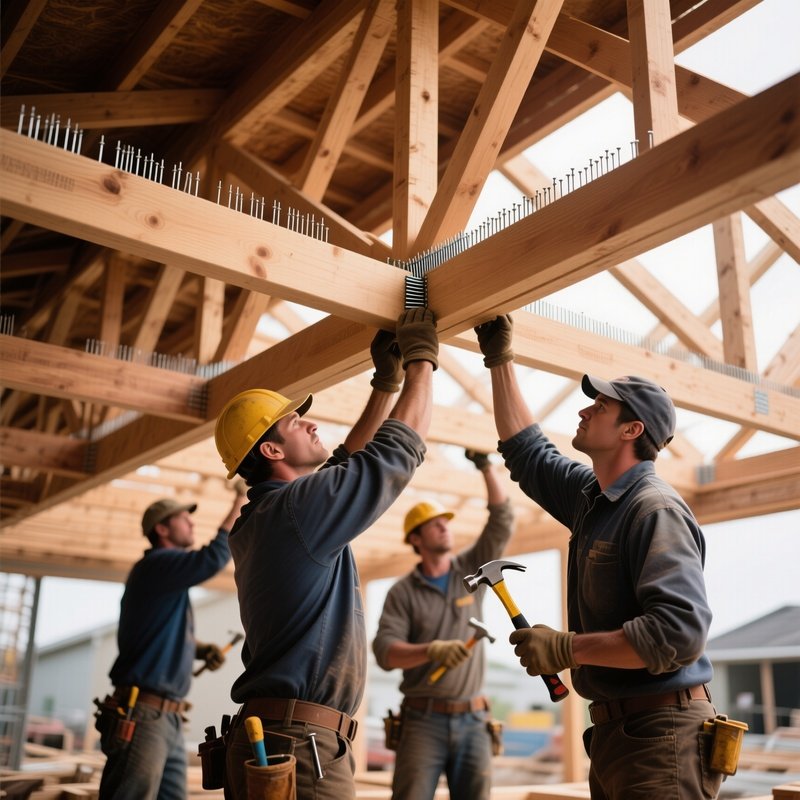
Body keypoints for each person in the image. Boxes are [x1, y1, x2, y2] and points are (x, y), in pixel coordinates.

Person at [472, 313, 721, 799]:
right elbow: (527, 453)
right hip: (620, 734)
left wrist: (567, 648)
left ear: (632, 429)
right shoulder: (593, 497)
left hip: (663, 734)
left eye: (600, 406)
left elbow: (680, 633)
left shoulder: (654, 509)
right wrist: (499, 359)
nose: (584, 412)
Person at [215, 308, 438, 799]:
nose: (311, 424)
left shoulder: (266, 518)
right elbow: (392, 454)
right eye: (296, 423)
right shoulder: (295, 513)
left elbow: (345, 463)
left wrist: (385, 382)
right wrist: (422, 359)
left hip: (278, 738)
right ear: (272, 452)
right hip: (299, 746)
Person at [372, 449, 514, 800]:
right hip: (423, 721)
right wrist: (431, 650)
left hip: (474, 719)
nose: (444, 526)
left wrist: (485, 467)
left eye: (446, 521)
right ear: (416, 540)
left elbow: (502, 519)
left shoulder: (471, 570)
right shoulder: (402, 592)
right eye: (434, 524)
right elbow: (386, 653)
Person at [96, 484, 247, 800]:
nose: (191, 523)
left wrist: (197, 648)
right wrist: (239, 500)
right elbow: (215, 557)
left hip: (165, 718)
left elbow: (154, 638)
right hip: (144, 715)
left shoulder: (166, 579)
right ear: (162, 529)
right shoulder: (156, 566)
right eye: (183, 519)